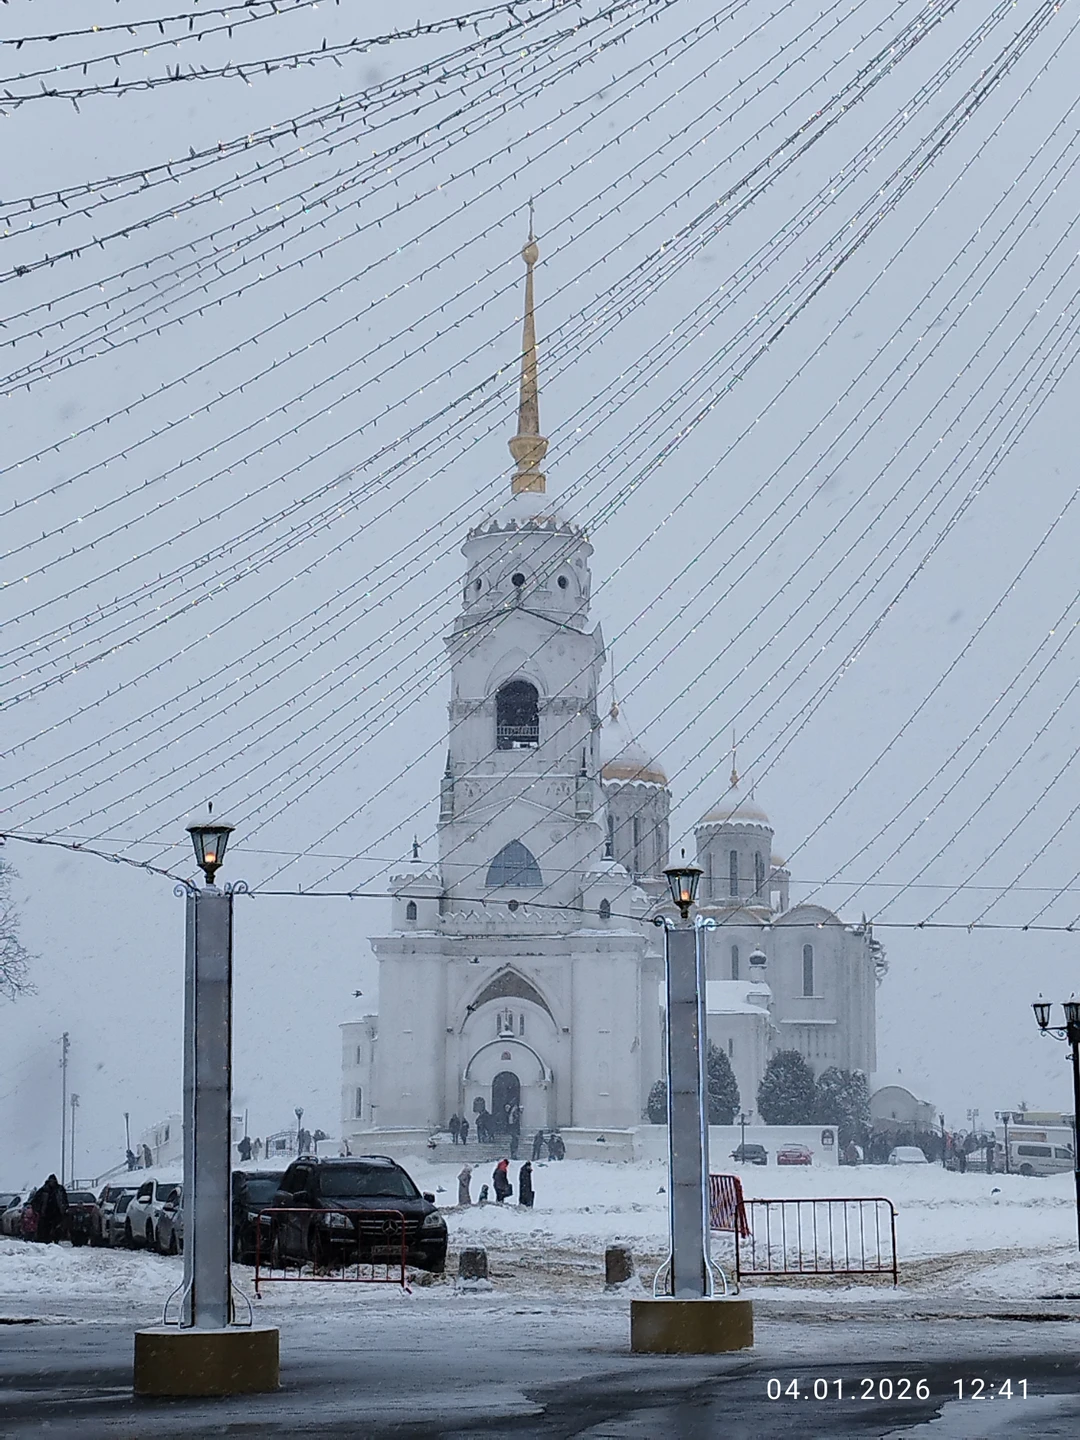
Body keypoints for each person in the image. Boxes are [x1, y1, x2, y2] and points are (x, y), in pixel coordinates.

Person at [32, 1175, 69, 1244]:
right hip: (46, 1212)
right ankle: (46, 1241)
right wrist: (38, 1210)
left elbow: (65, 1199)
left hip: (57, 1212)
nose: (52, 1183)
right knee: (45, 1229)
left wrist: (65, 1208)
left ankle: (56, 1240)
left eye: (53, 1181)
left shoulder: (60, 1189)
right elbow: (35, 1201)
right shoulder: (43, 1190)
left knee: (57, 1228)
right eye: (51, 1181)